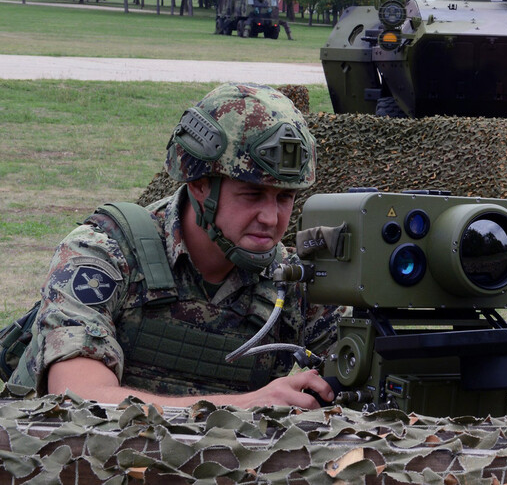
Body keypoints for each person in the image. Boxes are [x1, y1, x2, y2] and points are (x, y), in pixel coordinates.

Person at [9, 83, 342, 408]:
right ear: (199, 186)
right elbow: (78, 397)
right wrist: (246, 405)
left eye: (285, 198)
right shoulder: (105, 253)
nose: (271, 218)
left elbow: (360, 366)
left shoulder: (291, 281)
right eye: (252, 195)